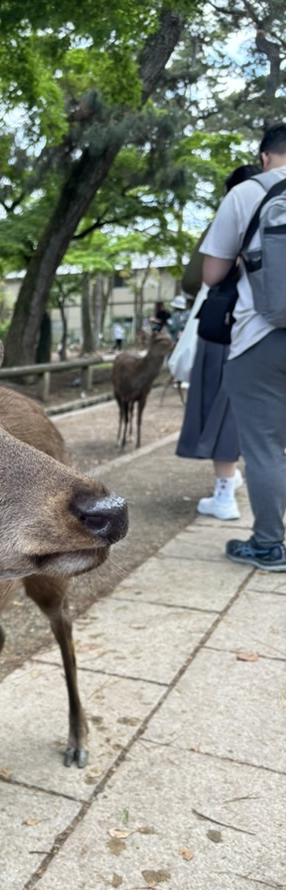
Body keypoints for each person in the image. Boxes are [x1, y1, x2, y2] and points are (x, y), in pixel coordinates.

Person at [200, 123, 286, 571]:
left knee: (266, 447)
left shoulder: (247, 193)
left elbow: (211, 275)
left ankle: (270, 544)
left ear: (265, 155)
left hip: (260, 339)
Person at [176, 165, 260, 521]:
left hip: (230, 327)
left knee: (219, 406)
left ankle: (224, 491)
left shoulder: (234, 212)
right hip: (274, 331)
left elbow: (196, 278)